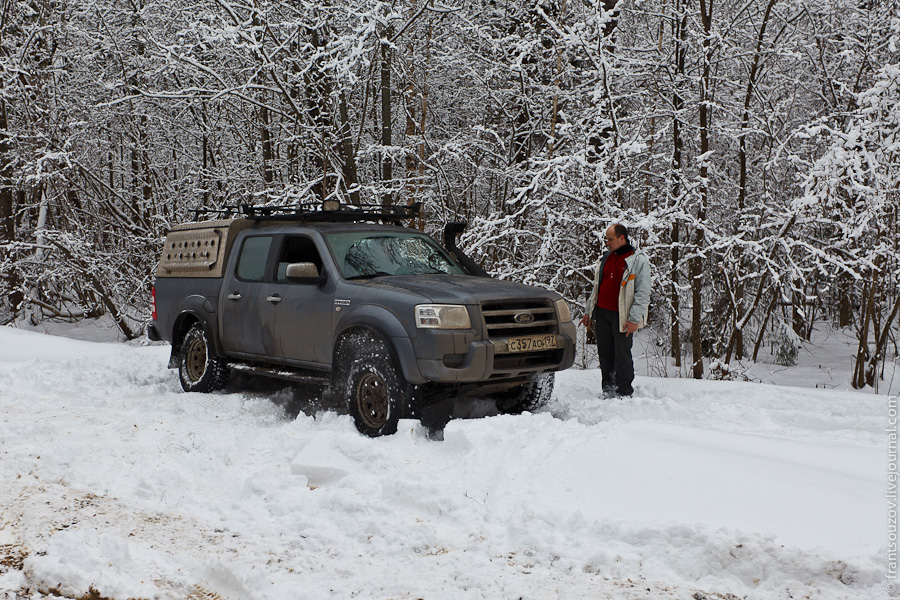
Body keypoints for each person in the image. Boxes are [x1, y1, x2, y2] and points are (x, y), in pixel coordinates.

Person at [579, 224, 651, 397]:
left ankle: (624, 390)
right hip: (602, 313)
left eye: (610, 239)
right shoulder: (606, 258)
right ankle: (608, 387)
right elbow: (597, 288)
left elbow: (642, 292)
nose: (607, 243)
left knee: (622, 354)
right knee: (605, 352)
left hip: (623, 315)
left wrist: (634, 319)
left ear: (622, 238)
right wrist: (589, 311)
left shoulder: (637, 260)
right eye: (606, 239)